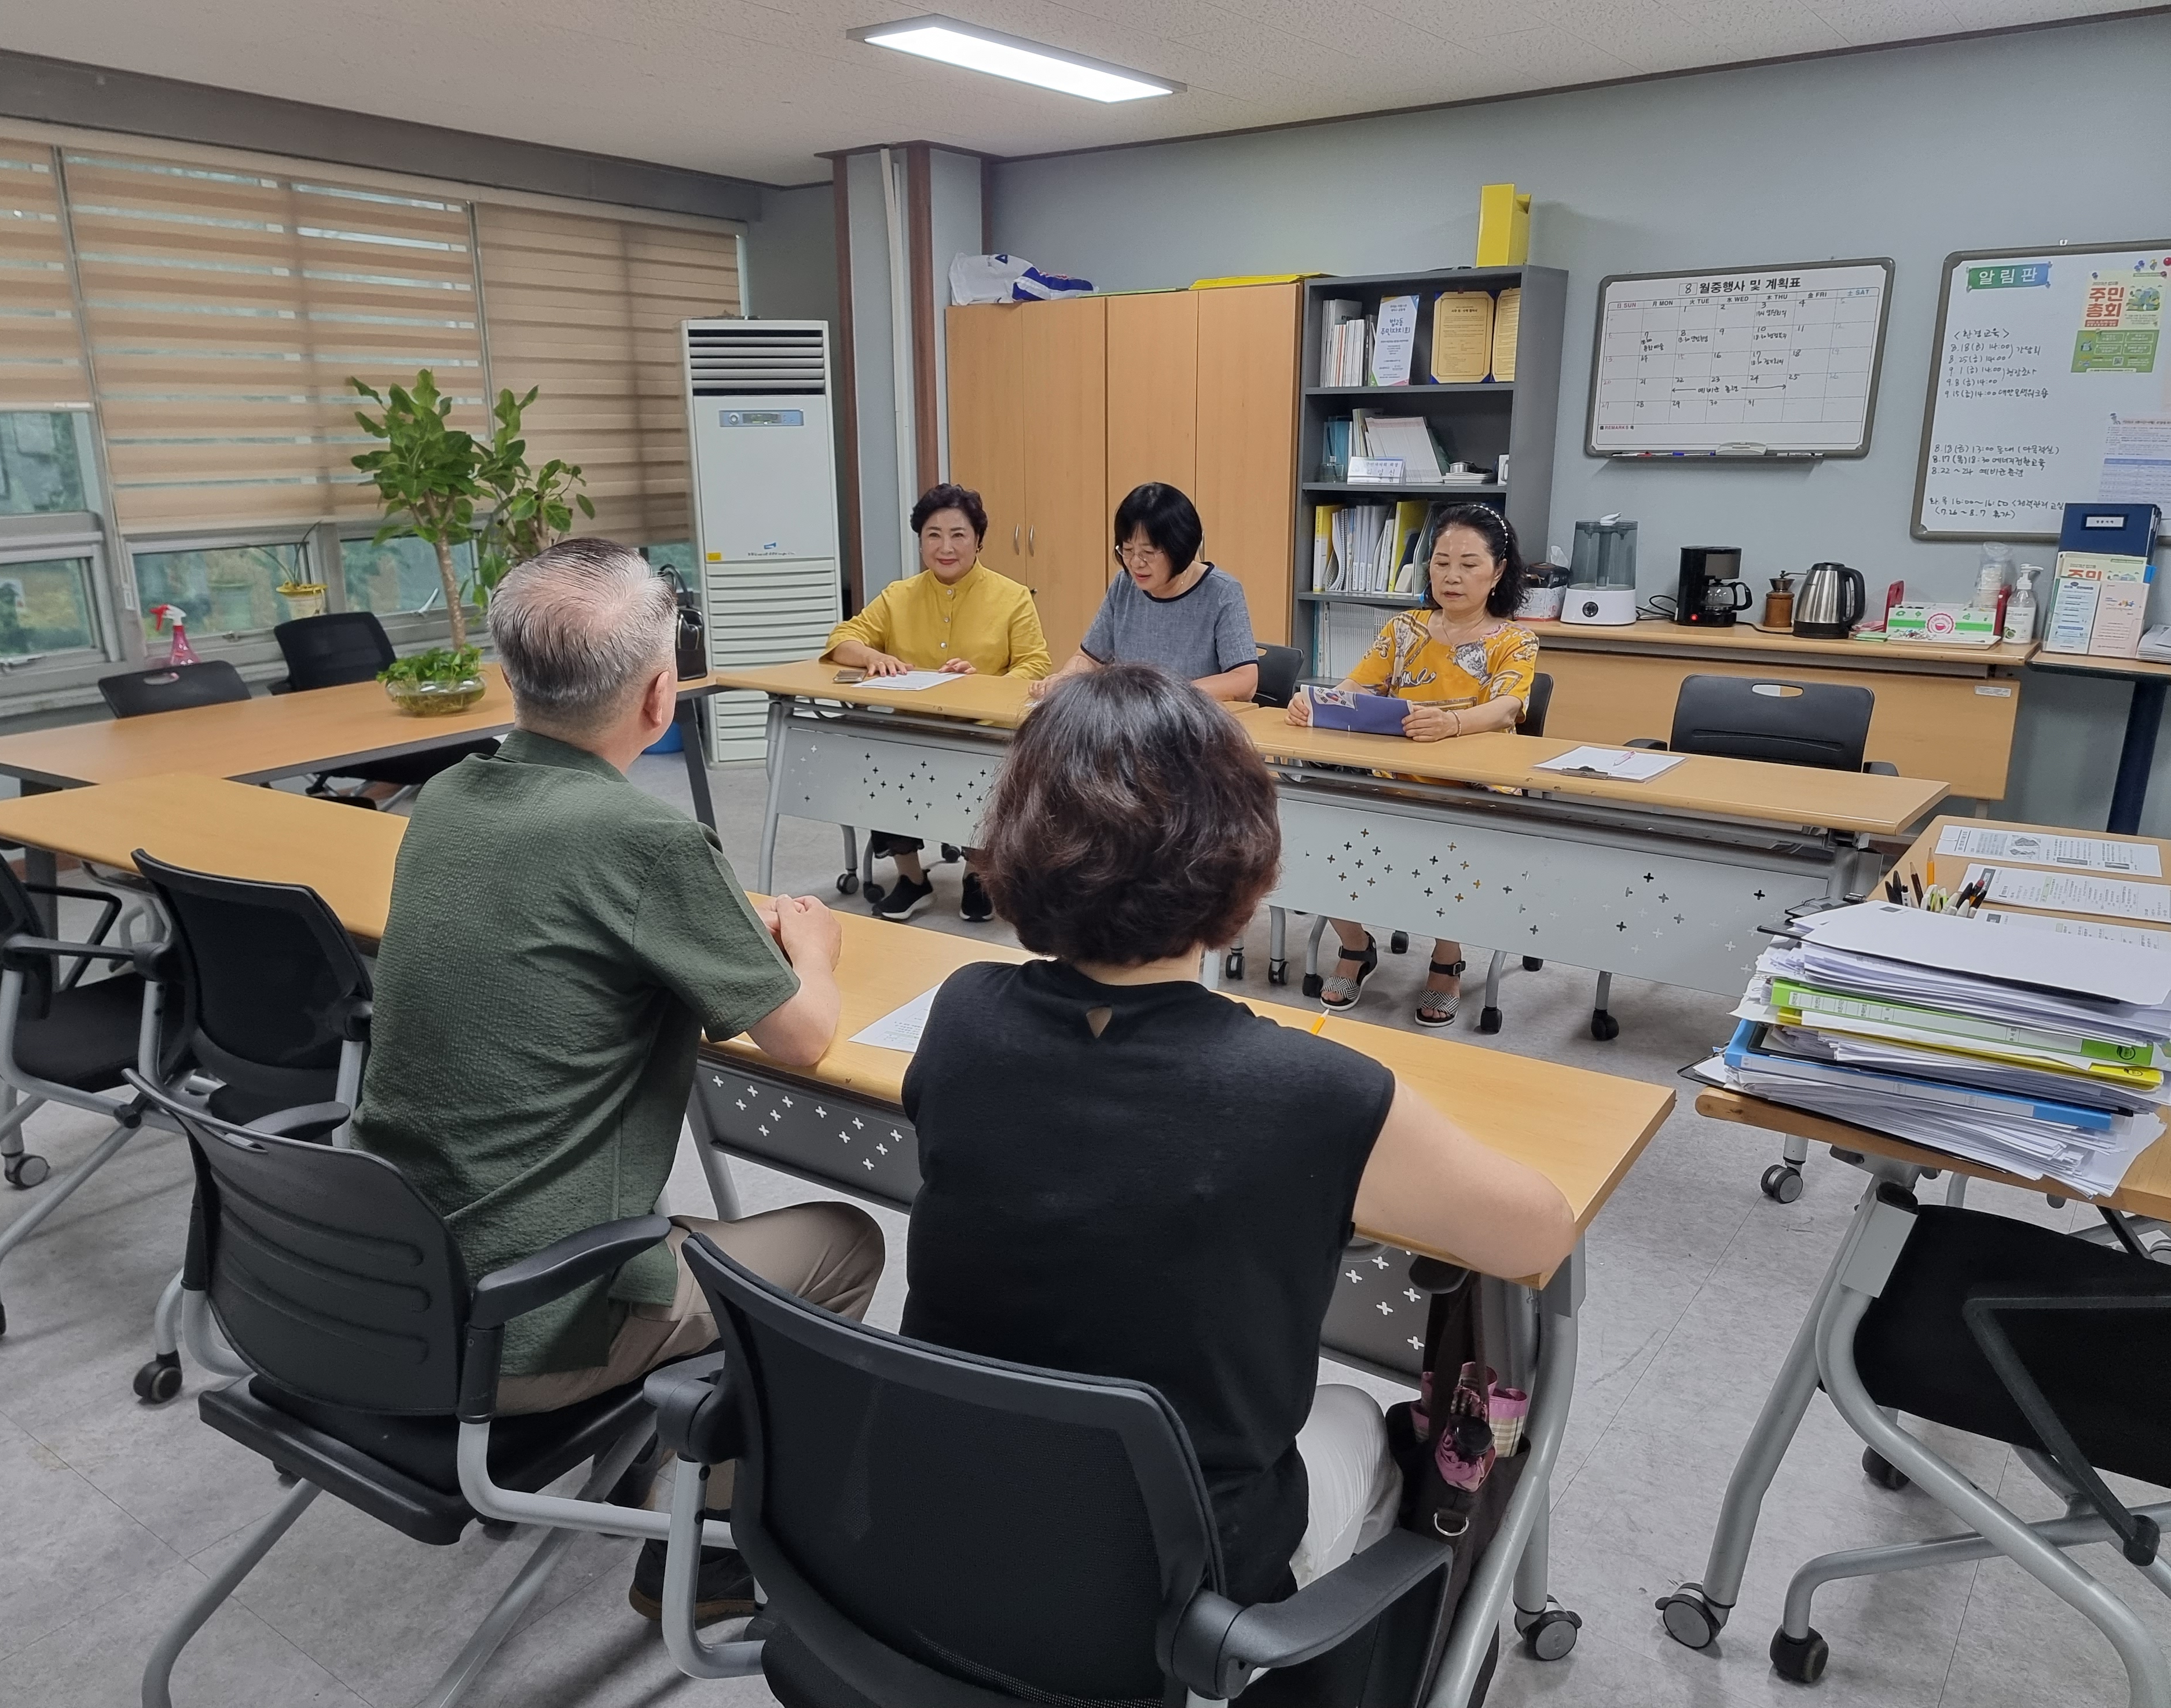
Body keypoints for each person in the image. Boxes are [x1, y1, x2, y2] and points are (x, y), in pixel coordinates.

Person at [900, 663, 1576, 1608]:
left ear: (1013, 843)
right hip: (1172, 1590)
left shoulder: (964, 1010)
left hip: (939, 1517)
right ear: (1248, 863)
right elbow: (1539, 1235)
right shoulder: (1316, 1091)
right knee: (1359, 1417)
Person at [351, 537, 886, 1623]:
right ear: (659, 697)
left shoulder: (447, 798)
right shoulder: (650, 842)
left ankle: (671, 1446)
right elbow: (801, 1039)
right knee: (844, 1244)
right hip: (517, 1321)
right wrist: (817, 948)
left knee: (694, 1234)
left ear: (514, 677)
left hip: (376, 1279)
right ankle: (713, 1559)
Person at [1285, 504, 1539, 1024]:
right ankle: (1356, 946)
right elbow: (1357, 687)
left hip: (1472, 792)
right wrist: (1315, 704)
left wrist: (1453, 723)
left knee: (1455, 850)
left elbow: (1507, 708)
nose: (1452, 576)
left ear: (1498, 571)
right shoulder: (1405, 629)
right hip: (1391, 783)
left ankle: (1447, 958)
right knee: (1316, 835)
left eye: (1468, 564)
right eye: (1441, 562)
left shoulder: (1515, 640)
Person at [824, 482, 1049, 924]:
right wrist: (873, 657)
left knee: (990, 779)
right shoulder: (897, 596)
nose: (946, 547)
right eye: (934, 535)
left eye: (958, 535)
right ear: (921, 540)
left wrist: (982, 684)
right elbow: (842, 639)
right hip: (914, 728)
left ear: (978, 540)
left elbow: (1035, 663)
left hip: (985, 731)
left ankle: (978, 877)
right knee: (879, 761)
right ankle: (912, 879)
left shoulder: (1012, 597)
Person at [1035, 481, 1258, 704]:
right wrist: (1064, 679)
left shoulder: (1221, 592)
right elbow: (1089, 658)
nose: (1136, 563)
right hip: (1133, 717)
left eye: (1148, 552)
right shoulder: (1125, 585)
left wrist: (1169, 696)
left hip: (1192, 718)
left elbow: (1244, 681)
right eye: (1128, 550)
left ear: (1179, 548)